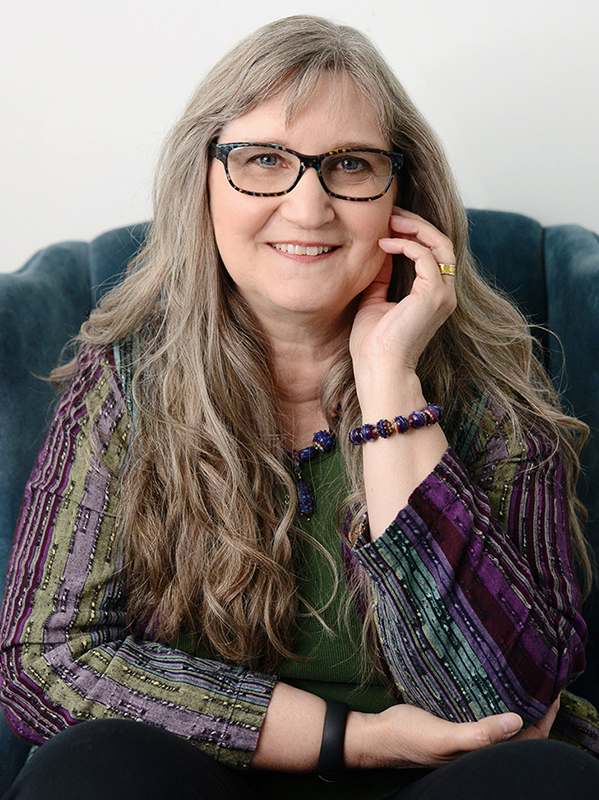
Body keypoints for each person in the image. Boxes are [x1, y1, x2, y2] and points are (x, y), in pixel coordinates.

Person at [1, 14, 599, 800]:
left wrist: (390, 382)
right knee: (92, 771)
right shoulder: (126, 379)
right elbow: (48, 660)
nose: (309, 207)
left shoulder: (491, 385)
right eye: (263, 160)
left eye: (349, 164)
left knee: (543, 780)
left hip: (443, 784)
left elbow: (503, 710)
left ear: (402, 194)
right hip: (204, 780)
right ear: (201, 184)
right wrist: (348, 739)